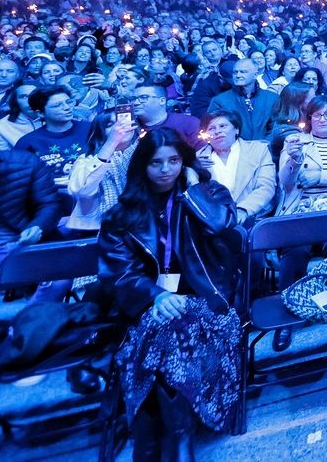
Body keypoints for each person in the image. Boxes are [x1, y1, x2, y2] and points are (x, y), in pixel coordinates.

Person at [98, 129, 242, 460]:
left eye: (174, 161)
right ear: (141, 167)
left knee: (176, 326)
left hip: (207, 299)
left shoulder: (209, 194)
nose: (166, 170)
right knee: (168, 326)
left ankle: (154, 434)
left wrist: (194, 190)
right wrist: (156, 297)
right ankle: (179, 433)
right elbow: (118, 274)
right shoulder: (123, 214)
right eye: (156, 163)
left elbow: (221, 224)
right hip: (148, 305)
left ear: (185, 162)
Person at [195, 110, 276, 225]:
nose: (218, 131)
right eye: (212, 128)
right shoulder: (197, 159)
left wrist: (243, 210)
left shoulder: (258, 150)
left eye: (223, 126)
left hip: (255, 219)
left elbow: (266, 186)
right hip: (214, 223)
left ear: (236, 129)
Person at [14, 86, 92, 185]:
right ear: (40, 113)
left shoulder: (92, 128)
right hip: (51, 195)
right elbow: (18, 179)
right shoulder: (28, 142)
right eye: (57, 105)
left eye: (68, 102)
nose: (67, 108)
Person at [206, 59, 274, 139]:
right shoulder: (219, 101)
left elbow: (276, 127)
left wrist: (264, 145)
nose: (238, 75)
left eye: (243, 72)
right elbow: (212, 128)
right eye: (235, 72)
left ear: (255, 75)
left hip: (265, 148)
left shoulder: (272, 98)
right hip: (233, 149)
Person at [132, 83, 201, 148]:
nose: (135, 103)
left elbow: (203, 156)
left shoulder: (188, 123)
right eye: (133, 99)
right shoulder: (128, 127)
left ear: (162, 101)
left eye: (144, 98)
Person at [0, 83, 39, 151]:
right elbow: (6, 158)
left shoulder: (55, 117)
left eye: (35, 95)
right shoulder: (2, 126)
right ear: (15, 101)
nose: (30, 100)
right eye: (24, 97)